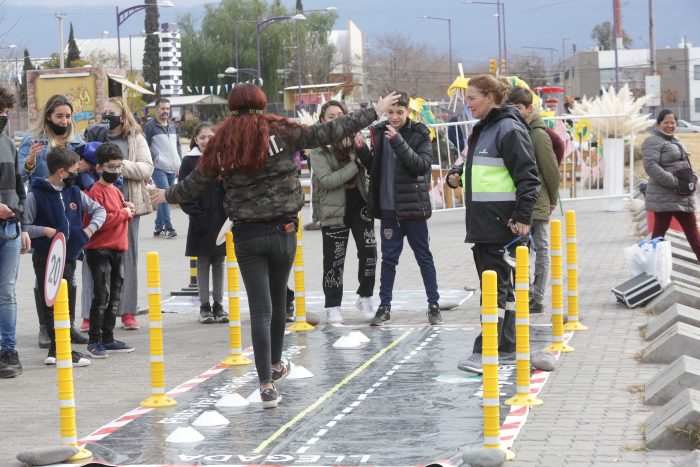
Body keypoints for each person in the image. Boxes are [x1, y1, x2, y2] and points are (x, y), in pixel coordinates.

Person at [151, 84, 400, 408]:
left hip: (246, 234)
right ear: (260, 102)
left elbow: (196, 182)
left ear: (232, 106)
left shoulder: (222, 141)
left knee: (260, 308)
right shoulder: (279, 129)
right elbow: (325, 132)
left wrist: (166, 196)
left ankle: (266, 384)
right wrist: (373, 112)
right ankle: (276, 363)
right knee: (279, 299)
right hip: (283, 229)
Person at [445, 74, 540, 374]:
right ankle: (507, 345)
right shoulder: (483, 129)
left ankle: (484, 353)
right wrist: (457, 173)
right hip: (486, 224)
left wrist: (523, 217)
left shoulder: (508, 128)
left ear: (490, 97)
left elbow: (528, 176)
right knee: (503, 290)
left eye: (472, 97)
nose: (467, 103)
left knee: (493, 291)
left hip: (501, 225)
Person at [354, 90, 441, 327]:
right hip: (388, 209)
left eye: (399, 112)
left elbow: (421, 166)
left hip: (413, 208)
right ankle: (384, 307)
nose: (393, 117)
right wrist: (362, 151)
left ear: (408, 111)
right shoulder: (380, 132)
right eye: (390, 112)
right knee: (389, 260)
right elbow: (376, 168)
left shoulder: (420, 132)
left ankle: (434, 304)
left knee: (424, 256)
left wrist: (398, 141)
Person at [26, 147, 106, 367]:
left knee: (68, 297)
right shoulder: (36, 194)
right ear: (61, 172)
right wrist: (44, 231)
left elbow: (99, 210)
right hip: (46, 255)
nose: (76, 174)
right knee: (50, 299)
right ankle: (59, 348)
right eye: (73, 170)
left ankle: (59, 347)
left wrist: (88, 231)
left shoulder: (74, 193)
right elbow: (26, 225)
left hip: (69, 254)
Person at [82, 97, 154, 332]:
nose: (106, 117)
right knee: (93, 259)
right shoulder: (92, 135)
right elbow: (80, 162)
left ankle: (127, 311)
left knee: (126, 259)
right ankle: (88, 315)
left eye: (111, 113)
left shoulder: (134, 138)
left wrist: (117, 165)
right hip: (97, 204)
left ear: (123, 116)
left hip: (127, 206)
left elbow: (146, 168)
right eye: (103, 112)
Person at [18, 95, 84, 347]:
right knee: (44, 274)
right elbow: (21, 173)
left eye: (68, 116)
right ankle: (46, 327)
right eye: (59, 116)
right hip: (44, 213)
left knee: (70, 272)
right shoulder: (33, 141)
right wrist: (31, 160)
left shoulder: (76, 141)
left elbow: (84, 172)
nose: (64, 121)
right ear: (48, 116)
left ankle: (68, 325)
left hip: (70, 212)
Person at [309, 100, 377, 324]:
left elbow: (371, 165)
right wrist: (354, 164)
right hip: (333, 209)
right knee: (334, 260)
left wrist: (360, 150)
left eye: (340, 114)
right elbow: (328, 180)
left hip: (360, 204)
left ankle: (365, 296)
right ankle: (333, 305)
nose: (336, 119)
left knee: (369, 252)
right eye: (331, 116)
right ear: (322, 121)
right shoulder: (318, 149)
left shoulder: (356, 140)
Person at [507, 86, 560, 313]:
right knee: (520, 249)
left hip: (537, 201)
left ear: (530, 108)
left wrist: (552, 199)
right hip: (519, 201)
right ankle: (525, 292)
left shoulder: (538, 134)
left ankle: (537, 296)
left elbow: (551, 171)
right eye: (511, 108)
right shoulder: (516, 130)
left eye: (518, 108)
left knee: (540, 249)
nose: (515, 112)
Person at [83, 143, 136, 358]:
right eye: (110, 167)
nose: (114, 171)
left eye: (118, 167)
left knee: (115, 295)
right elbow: (100, 220)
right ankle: (94, 341)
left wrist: (128, 208)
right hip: (99, 249)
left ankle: (108, 337)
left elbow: (119, 212)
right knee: (101, 295)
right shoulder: (96, 192)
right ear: (99, 168)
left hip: (118, 248)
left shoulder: (116, 190)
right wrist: (124, 213)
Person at [178, 122, 229, 324]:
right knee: (202, 262)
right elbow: (183, 191)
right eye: (202, 137)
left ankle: (219, 304)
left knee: (219, 261)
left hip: (222, 218)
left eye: (210, 137)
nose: (206, 141)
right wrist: (195, 213)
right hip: (200, 219)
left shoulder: (223, 158)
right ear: (196, 139)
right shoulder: (189, 161)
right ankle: (204, 306)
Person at [0, 84, 31, 378]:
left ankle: (8, 349)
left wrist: (21, 222)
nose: (4, 116)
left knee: (7, 292)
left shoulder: (8, 144)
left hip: (9, 229)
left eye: (6, 112)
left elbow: (21, 187)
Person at [642, 109, 700, 261]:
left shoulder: (674, 139)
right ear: (659, 124)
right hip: (665, 196)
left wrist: (692, 178)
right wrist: (674, 182)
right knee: (659, 235)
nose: (670, 125)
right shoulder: (652, 141)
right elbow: (650, 166)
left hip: (682, 195)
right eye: (666, 122)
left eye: (673, 122)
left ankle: (651, 266)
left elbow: (684, 163)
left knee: (693, 233)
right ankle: (651, 267)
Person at [143, 97, 181, 238]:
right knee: (165, 195)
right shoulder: (150, 126)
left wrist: (179, 162)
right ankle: (168, 227)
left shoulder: (172, 126)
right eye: (163, 108)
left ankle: (158, 227)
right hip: (159, 168)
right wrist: (156, 157)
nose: (166, 111)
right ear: (156, 109)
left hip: (172, 168)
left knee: (164, 197)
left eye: (167, 108)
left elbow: (177, 146)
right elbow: (144, 145)